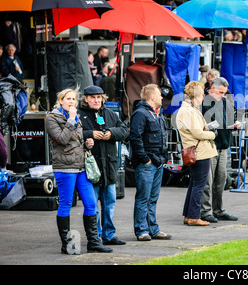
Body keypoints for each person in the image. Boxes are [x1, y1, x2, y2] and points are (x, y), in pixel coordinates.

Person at [45, 88, 112, 254]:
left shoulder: (75, 117)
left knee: (91, 204)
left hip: (81, 166)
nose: (71, 102)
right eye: (68, 99)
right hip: (65, 168)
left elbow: (76, 139)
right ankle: (66, 244)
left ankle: (94, 242)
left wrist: (86, 143)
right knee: (66, 204)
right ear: (61, 101)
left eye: (73, 99)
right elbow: (61, 139)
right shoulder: (52, 118)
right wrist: (72, 120)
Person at [78, 85, 129, 245]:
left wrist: (111, 134)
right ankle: (97, 237)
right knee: (92, 205)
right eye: (93, 97)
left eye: (99, 97)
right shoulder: (79, 115)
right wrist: (89, 134)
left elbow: (124, 131)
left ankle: (109, 234)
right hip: (91, 169)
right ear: (86, 98)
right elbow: (72, 135)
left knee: (109, 204)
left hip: (110, 167)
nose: (96, 100)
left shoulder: (109, 113)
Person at [129, 84, 171, 240]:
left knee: (152, 198)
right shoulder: (140, 114)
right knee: (143, 198)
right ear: (152, 97)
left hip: (157, 162)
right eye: (160, 94)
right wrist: (145, 160)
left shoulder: (157, 114)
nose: (162, 97)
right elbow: (135, 138)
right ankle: (141, 230)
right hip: (147, 163)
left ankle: (153, 229)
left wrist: (162, 158)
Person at [176, 81, 217, 226]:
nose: (204, 96)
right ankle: (193, 216)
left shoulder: (188, 109)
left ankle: (189, 215)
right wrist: (212, 134)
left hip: (195, 151)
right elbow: (197, 132)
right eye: (202, 94)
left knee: (194, 184)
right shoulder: (189, 110)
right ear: (197, 95)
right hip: (200, 152)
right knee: (199, 185)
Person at [201, 77, 238, 223]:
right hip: (210, 144)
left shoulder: (225, 101)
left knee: (220, 180)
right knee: (208, 181)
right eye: (221, 92)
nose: (223, 95)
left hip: (223, 144)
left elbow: (229, 119)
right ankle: (206, 211)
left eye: (224, 92)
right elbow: (204, 123)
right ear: (212, 88)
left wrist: (233, 123)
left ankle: (218, 209)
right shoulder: (204, 102)